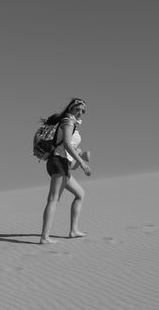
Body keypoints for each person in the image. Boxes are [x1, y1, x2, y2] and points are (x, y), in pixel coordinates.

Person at [40, 97, 91, 244]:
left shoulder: (70, 122)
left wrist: (80, 155)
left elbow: (68, 147)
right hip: (58, 162)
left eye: (83, 110)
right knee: (53, 199)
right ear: (71, 108)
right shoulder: (67, 122)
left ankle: (73, 231)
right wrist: (82, 163)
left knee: (80, 194)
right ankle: (44, 237)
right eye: (77, 109)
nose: (80, 112)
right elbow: (67, 144)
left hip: (61, 163)